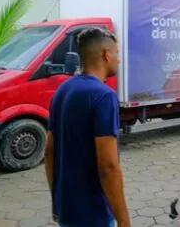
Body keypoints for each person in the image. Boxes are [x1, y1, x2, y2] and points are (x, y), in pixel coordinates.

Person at [44, 28, 130, 227]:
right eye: (116, 53)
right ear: (105, 54)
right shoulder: (103, 96)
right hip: (95, 215)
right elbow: (108, 167)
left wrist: (57, 202)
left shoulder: (62, 90)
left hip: (68, 211)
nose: (118, 59)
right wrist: (124, 221)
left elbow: (49, 152)